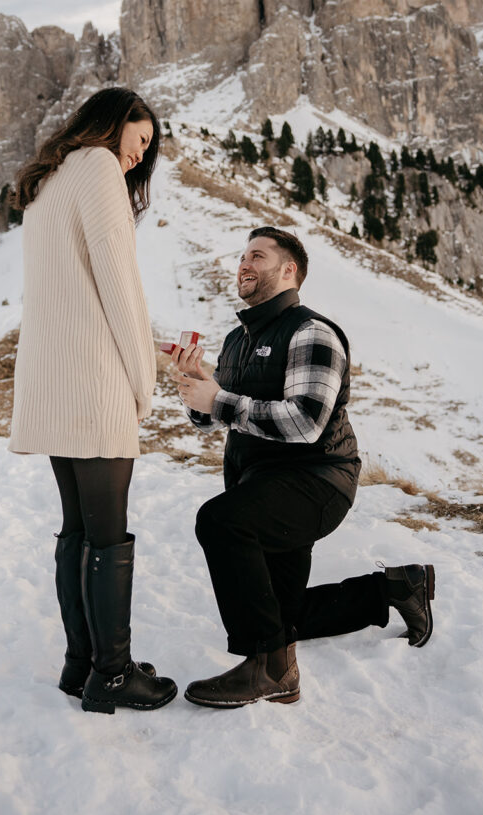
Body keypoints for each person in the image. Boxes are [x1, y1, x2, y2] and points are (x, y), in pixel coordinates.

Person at [173, 226, 434, 709]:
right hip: (263, 485)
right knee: (282, 615)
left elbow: (306, 422)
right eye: (242, 257)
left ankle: (269, 669)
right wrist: (198, 387)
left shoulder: (312, 332)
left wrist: (220, 401)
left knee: (221, 522)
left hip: (317, 481)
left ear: (289, 269)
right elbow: (215, 415)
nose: (244, 264)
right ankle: (397, 588)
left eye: (257, 256)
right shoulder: (237, 339)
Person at [9, 87, 177, 715]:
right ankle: (112, 673)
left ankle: (81, 662)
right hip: (94, 382)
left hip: (52, 381)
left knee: (78, 529)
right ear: (115, 124)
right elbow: (118, 283)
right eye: (140, 141)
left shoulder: (51, 180)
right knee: (107, 535)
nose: (139, 157)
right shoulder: (100, 168)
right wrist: (142, 379)